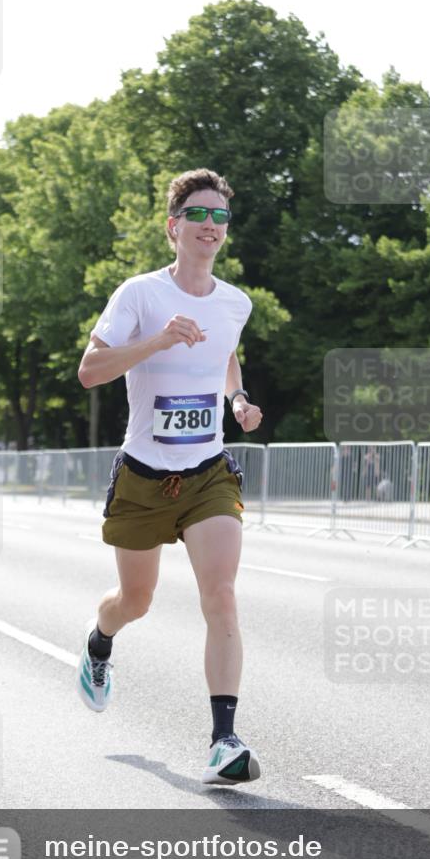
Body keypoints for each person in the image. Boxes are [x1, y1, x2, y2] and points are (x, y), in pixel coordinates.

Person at [76, 168, 263, 785]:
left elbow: (225, 353)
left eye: (220, 216)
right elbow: (90, 370)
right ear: (173, 227)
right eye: (199, 214)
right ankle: (100, 642)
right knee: (136, 600)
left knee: (222, 594)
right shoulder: (140, 295)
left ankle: (223, 739)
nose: (211, 225)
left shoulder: (236, 302)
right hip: (143, 475)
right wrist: (156, 342)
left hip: (208, 472)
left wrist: (237, 399)